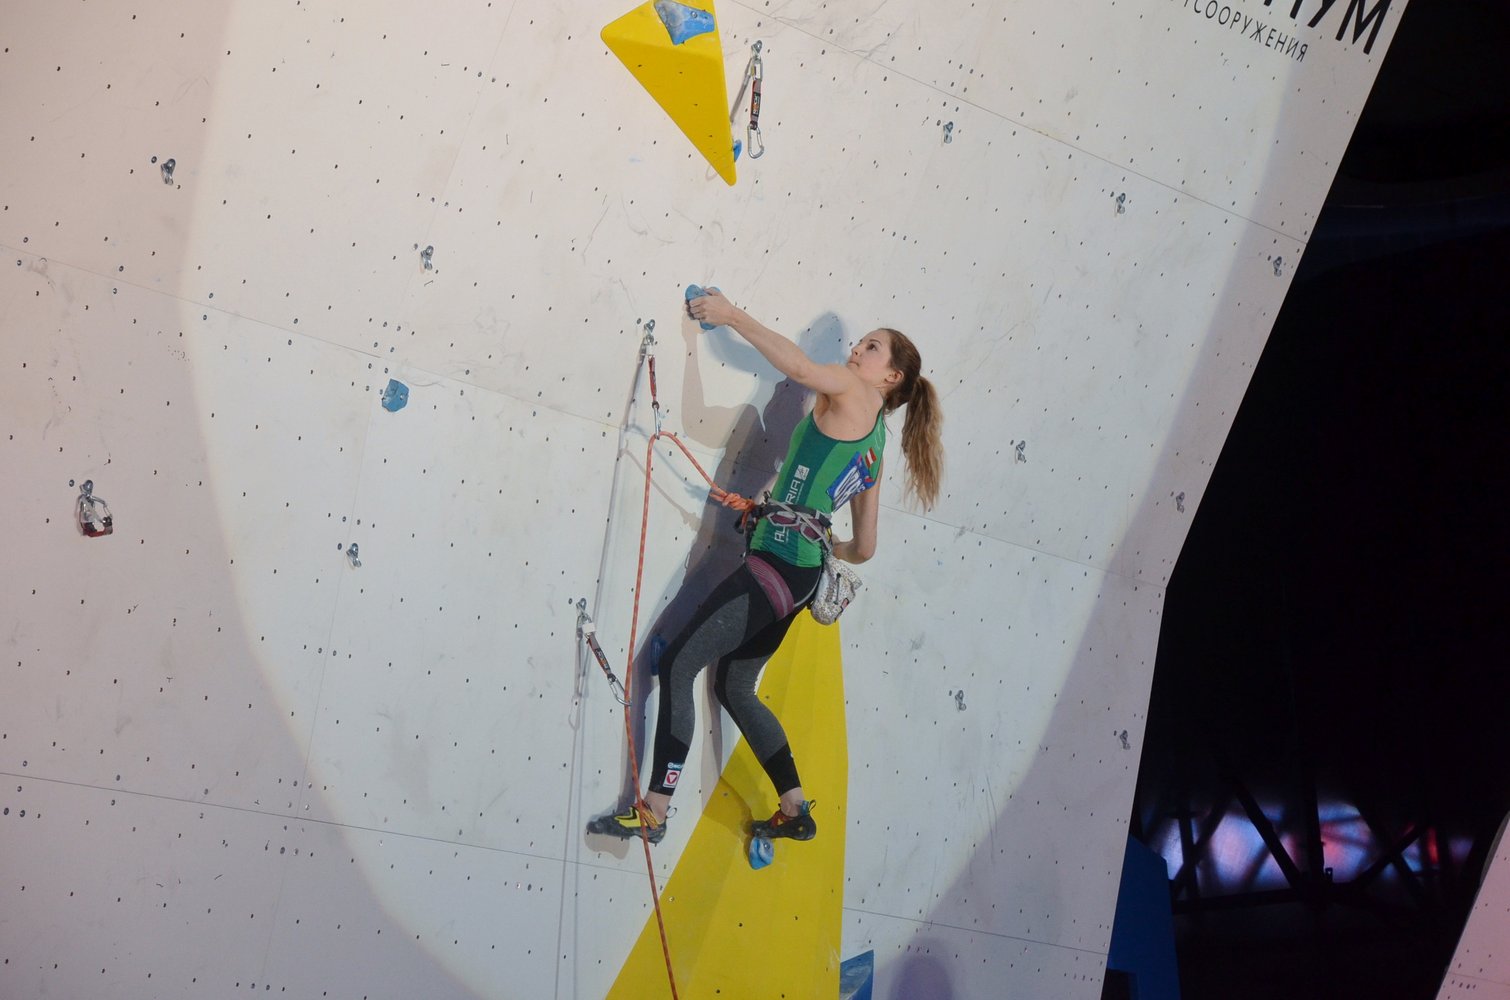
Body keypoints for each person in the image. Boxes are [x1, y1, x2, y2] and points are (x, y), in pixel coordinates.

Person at [593, 288, 944, 845]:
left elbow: (799, 368)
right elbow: (865, 547)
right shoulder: (875, 444)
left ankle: (655, 810)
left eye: (871, 348)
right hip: (798, 577)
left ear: (891, 377)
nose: (856, 351)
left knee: (680, 663)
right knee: (735, 686)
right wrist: (811, 531)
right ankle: (794, 806)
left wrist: (729, 315)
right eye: (860, 343)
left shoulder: (854, 389)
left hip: (776, 565)